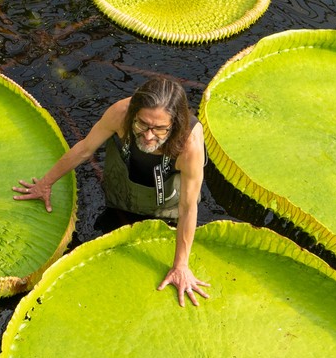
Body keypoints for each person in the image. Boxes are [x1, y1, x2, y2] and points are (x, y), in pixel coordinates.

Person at [13, 78, 211, 306]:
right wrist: (45, 184)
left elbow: (187, 207)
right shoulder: (121, 113)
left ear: (174, 124)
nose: (148, 136)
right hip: (125, 179)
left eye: (159, 129)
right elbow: (85, 149)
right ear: (134, 113)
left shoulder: (190, 145)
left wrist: (180, 266)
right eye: (142, 124)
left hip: (169, 194)